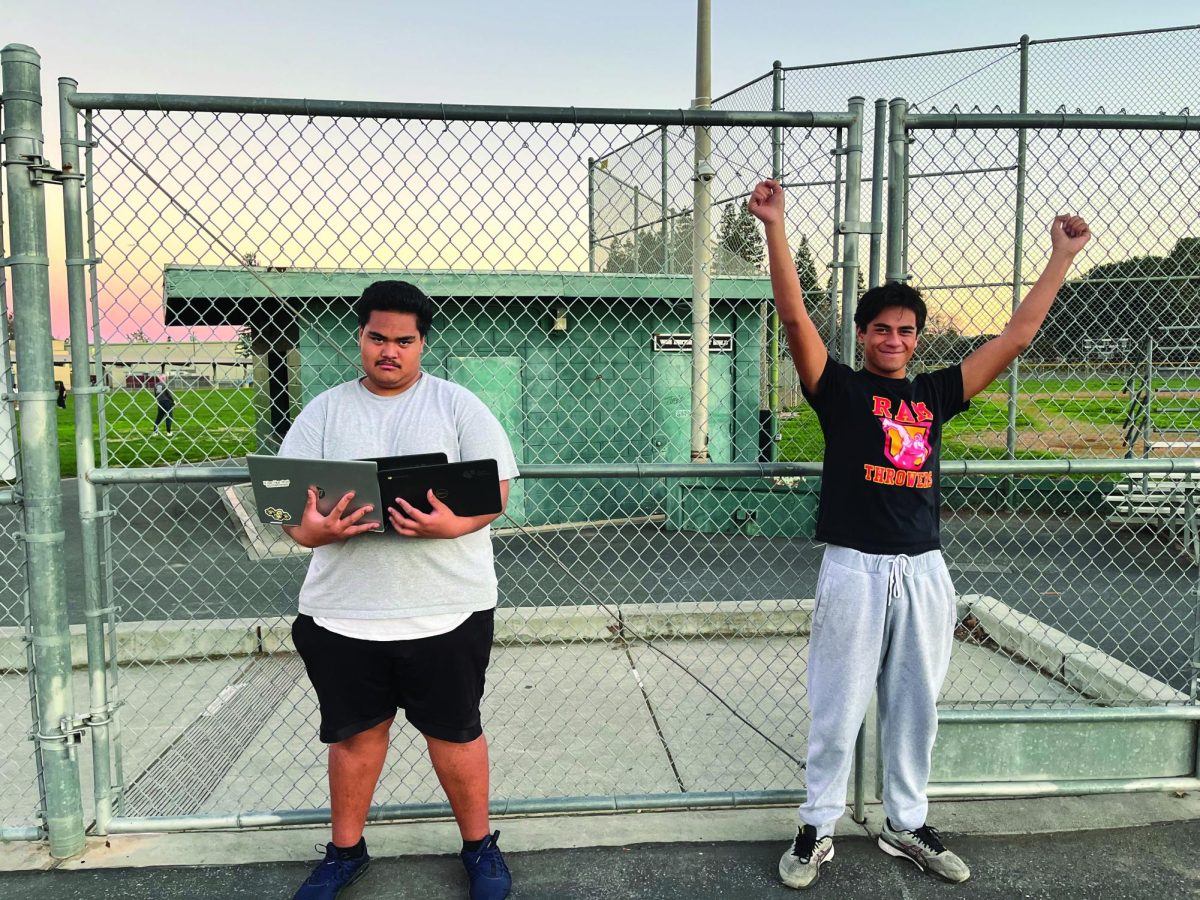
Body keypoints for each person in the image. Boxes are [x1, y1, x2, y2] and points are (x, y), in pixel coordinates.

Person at [747, 179, 1090, 890]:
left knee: (915, 705)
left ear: (917, 337)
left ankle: (905, 822)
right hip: (854, 568)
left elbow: (1017, 336)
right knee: (837, 704)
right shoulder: (839, 390)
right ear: (864, 336)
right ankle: (817, 825)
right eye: (882, 329)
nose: (894, 340)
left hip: (924, 571)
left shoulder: (935, 394)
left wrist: (1061, 255)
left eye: (906, 330)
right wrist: (776, 226)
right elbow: (792, 314)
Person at [281, 280, 518, 900]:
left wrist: (451, 524)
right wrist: (314, 531)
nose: (390, 351)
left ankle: (479, 848)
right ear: (359, 337)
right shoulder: (324, 412)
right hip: (344, 613)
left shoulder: (458, 406)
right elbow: (288, 513)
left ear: (422, 345)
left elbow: (496, 492)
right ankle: (345, 852)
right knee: (356, 737)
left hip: (448, 607)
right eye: (378, 337)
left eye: (404, 341)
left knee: (455, 732)